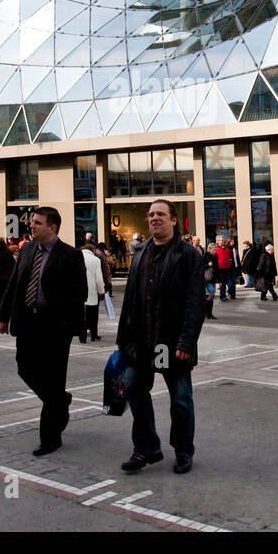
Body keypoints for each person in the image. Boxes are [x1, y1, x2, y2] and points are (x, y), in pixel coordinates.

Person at [116, 199, 206, 474]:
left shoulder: (188, 255)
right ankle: (146, 448)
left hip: (170, 343)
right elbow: (130, 299)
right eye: (151, 214)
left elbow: (195, 303)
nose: (155, 218)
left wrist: (186, 343)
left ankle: (183, 451)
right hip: (141, 341)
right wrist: (123, 339)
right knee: (133, 388)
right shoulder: (140, 251)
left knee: (180, 398)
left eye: (161, 214)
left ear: (174, 220)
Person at [0, 207, 87, 456]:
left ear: (52, 228)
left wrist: (73, 327)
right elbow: (14, 283)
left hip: (55, 327)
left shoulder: (70, 255)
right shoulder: (26, 250)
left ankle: (50, 438)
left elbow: (80, 294)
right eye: (31, 222)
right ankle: (60, 400)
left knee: (54, 377)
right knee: (24, 368)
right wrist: (3, 317)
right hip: (27, 323)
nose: (31, 226)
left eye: (37, 223)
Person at [81, 239, 107, 343]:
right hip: (92, 291)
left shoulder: (77, 256)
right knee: (93, 315)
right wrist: (101, 290)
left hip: (79, 291)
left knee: (82, 315)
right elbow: (99, 278)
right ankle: (94, 334)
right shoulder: (95, 260)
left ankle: (82, 336)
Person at [215, 236, 237, 301]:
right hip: (220, 269)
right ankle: (223, 296)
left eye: (223, 240)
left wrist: (230, 264)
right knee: (223, 283)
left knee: (230, 282)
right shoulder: (216, 249)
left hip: (228, 268)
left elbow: (230, 258)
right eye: (221, 240)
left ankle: (231, 294)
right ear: (218, 241)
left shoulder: (227, 249)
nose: (223, 241)